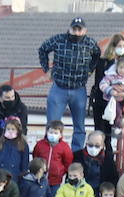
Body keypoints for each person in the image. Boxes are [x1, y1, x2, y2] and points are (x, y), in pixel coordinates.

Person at [38, 16, 100, 150]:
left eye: (80, 30)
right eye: (74, 29)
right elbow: (43, 49)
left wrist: (90, 70)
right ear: (70, 29)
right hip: (59, 88)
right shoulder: (59, 39)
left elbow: (97, 55)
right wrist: (46, 68)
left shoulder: (90, 43)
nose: (76, 32)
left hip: (79, 89)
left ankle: (76, 154)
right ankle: (52, 153)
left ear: (85, 30)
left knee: (79, 126)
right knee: (52, 124)